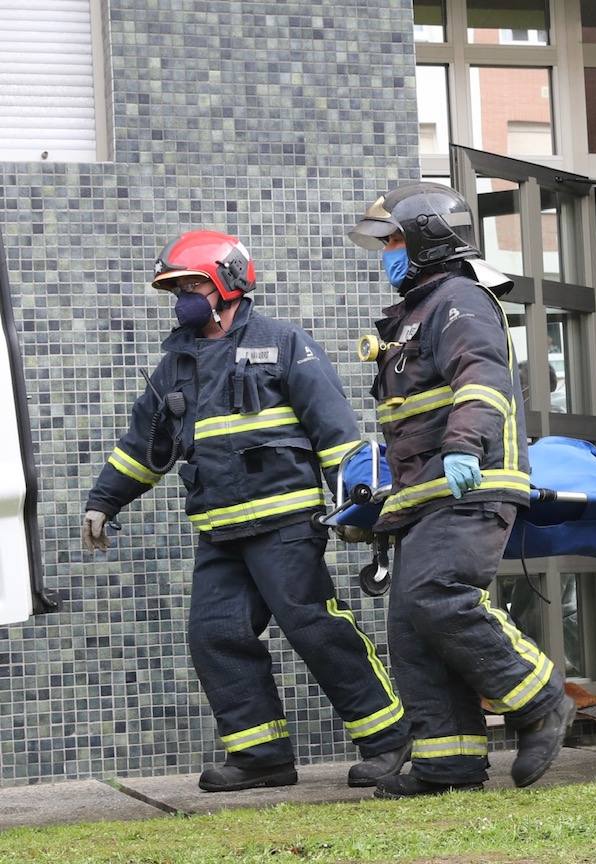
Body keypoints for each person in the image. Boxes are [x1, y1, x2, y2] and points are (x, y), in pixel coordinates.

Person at [81, 230, 410, 792]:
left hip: (285, 523)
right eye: (175, 288)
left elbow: (334, 431)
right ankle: (260, 755)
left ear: (228, 282)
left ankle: (388, 737)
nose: (182, 297)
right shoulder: (175, 365)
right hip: (220, 529)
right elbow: (144, 446)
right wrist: (104, 500)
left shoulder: (283, 343)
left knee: (312, 626)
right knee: (215, 634)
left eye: (190, 284)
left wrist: (358, 504)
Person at [347, 182, 574, 797]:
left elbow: (483, 376)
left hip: (470, 483)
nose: (385, 253)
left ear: (422, 240)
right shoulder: (414, 311)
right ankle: (448, 764)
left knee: (436, 595)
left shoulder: (459, 301)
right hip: (424, 496)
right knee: (413, 630)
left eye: (392, 240)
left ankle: (539, 698)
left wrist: (462, 446)